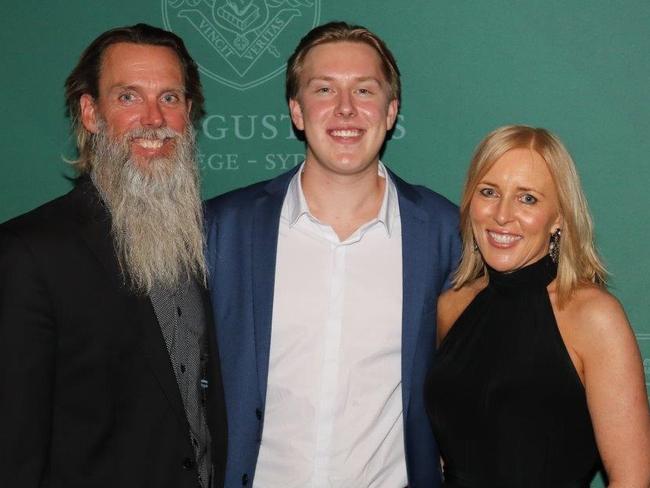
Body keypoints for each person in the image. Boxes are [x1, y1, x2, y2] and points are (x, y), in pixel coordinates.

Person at [205, 21, 460, 488]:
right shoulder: (223, 228)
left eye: (364, 90)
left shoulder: (445, 232)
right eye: (324, 89)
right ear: (297, 111)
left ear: (390, 112)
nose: (346, 109)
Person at [0, 24, 227, 488]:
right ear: (91, 112)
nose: (153, 117)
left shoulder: (209, 239)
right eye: (128, 97)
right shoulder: (30, 252)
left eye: (170, 98)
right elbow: (13, 446)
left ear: (188, 111)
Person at [426, 125, 650, 487]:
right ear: (470, 203)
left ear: (558, 217)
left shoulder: (593, 317)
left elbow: (633, 477)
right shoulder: (451, 306)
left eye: (527, 198)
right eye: (489, 192)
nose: (502, 215)